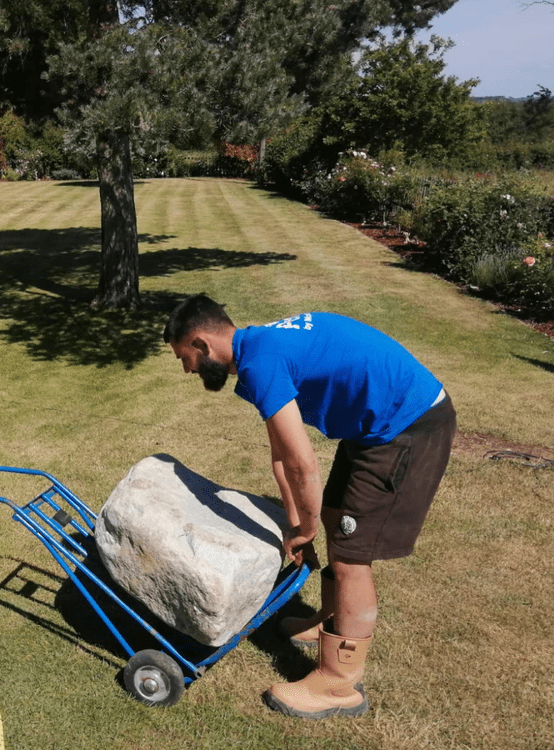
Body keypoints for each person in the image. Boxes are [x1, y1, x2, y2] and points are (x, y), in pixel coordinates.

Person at [163, 295, 456, 719]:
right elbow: (281, 456)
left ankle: (339, 685)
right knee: (338, 521)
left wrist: (306, 527)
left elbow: (303, 462)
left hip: (407, 424)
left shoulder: (260, 364)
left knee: (353, 553)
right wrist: (297, 523)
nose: (187, 369)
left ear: (202, 343)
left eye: (184, 357)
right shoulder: (258, 348)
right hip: (373, 427)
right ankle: (331, 622)